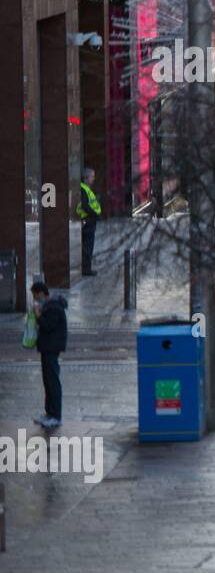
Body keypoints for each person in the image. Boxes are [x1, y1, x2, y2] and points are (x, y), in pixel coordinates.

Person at [30, 280, 68, 429]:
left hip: (52, 348)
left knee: (52, 382)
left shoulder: (54, 307)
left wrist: (38, 315)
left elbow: (47, 326)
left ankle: (55, 416)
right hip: (47, 348)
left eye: (35, 295)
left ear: (41, 293)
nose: (35, 299)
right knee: (47, 381)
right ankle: (49, 413)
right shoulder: (50, 305)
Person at [77, 167, 102, 276]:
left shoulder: (86, 188)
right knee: (87, 246)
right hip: (88, 220)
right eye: (92, 176)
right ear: (86, 178)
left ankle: (87, 268)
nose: (94, 179)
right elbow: (85, 205)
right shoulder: (83, 189)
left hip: (90, 220)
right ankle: (86, 269)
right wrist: (95, 214)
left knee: (88, 246)